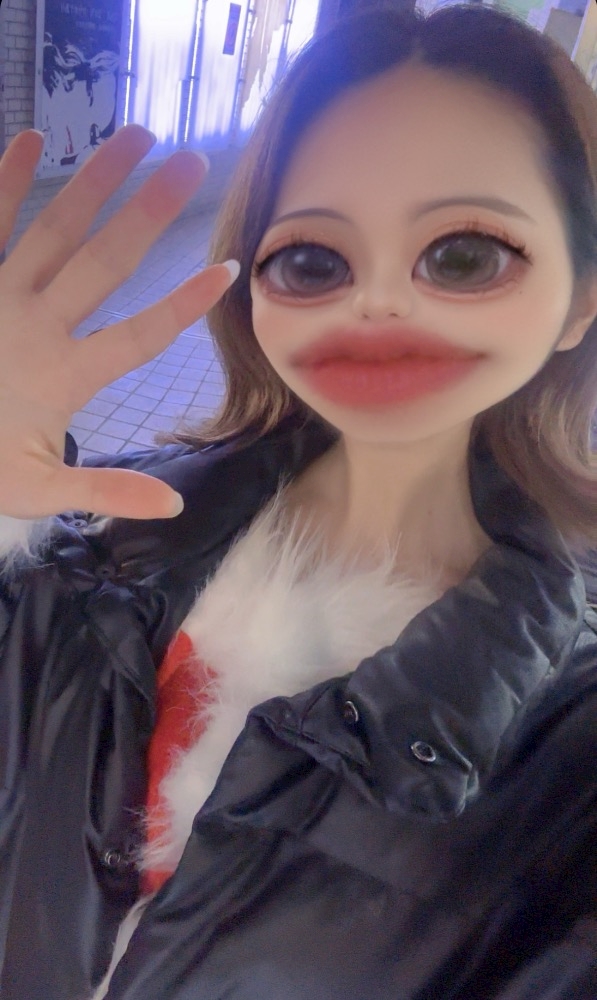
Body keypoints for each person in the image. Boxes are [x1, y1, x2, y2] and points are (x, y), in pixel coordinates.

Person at [0, 3, 596, 997]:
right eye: (312, 260)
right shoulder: (103, 534)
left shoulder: (570, 759)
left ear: (580, 298)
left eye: (464, 255)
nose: (377, 302)